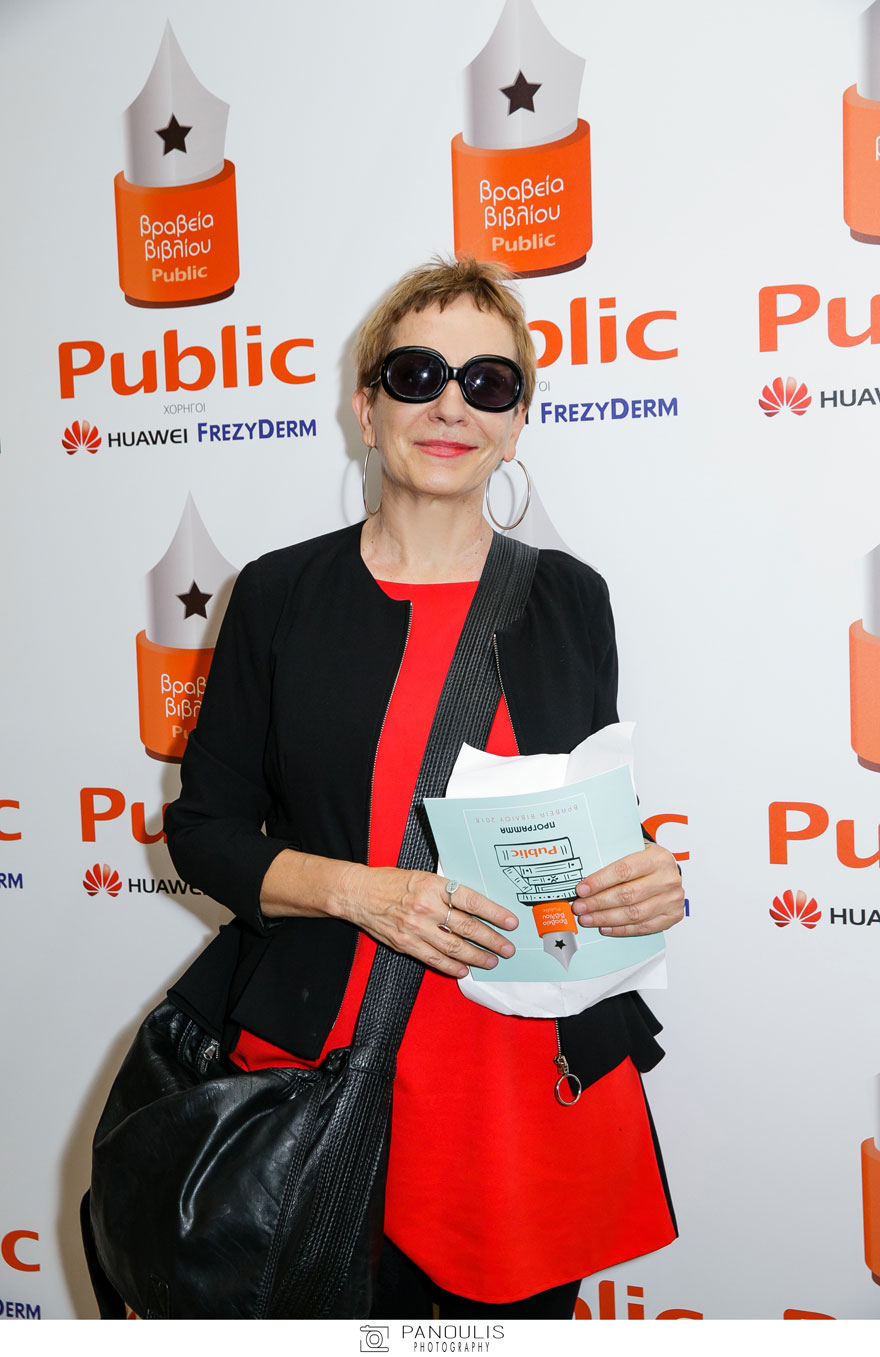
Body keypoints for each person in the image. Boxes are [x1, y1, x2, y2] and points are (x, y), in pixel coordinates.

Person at [163, 256, 685, 1320]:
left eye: (488, 383)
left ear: (517, 422)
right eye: (416, 375)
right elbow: (204, 832)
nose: (452, 405)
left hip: (526, 1084)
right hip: (324, 1074)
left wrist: (645, 882)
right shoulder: (278, 593)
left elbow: (587, 819)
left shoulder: (571, 598)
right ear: (367, 409)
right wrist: (363, 893)